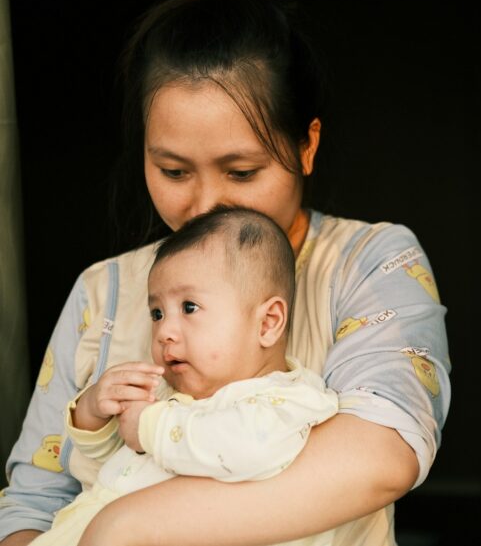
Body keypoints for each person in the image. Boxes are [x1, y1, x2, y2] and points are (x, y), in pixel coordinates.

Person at [0, 0, 451, 545]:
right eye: (173, 171)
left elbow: (383, 454)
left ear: (306, 146)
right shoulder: (103, 291)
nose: (205, 203)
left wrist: (128, 527)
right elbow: (33, 503)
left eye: (241, 172)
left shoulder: (367, 263)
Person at [33, 207, 353, 546]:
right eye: (157, 313)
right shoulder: (167, 390)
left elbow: (248, 449)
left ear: (268, 322)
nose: (164, 331)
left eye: (189, 307)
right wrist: (94, 411)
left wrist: (148, 425)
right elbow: (114, 452)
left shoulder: (291, 400)